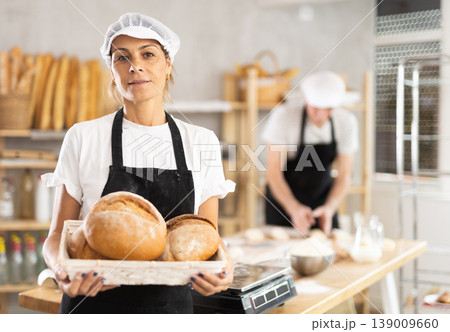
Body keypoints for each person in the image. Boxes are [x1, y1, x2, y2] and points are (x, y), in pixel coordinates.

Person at [42, 12, 235, 314]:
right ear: (112, 69)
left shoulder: (201, 141)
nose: (136, 66)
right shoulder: (83, 136)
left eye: (148, 54)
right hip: (91, 305)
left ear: (168, 64)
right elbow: (56, 237)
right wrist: (61, 269)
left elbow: (208, 235)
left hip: (170, 309)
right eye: (122, 58)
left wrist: (225, 265)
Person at [262, 71, 358, 236]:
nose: (320, 115)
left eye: (327, 109)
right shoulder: (283, 117)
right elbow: (273, 174)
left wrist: (329, 208)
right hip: (282, 203)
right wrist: (293, 208)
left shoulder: (346, 122)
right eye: (315, 107)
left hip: (323, 200)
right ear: (305, 99)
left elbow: (344, 176)